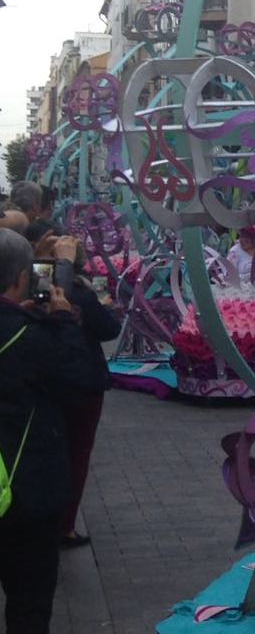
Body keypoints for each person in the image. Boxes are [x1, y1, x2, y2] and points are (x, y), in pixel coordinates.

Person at [0, 228, 105, 634]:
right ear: (22, 279)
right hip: (24, 498)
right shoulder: (31, 335)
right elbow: (85, 379)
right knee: (28, 613)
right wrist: (64, 314)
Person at [32, 234, 121, 549]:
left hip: (43, 386)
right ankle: (64, 525)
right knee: (77, 454)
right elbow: (110, 329)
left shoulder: (29, 297)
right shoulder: (78, 296)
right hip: (83, 385)